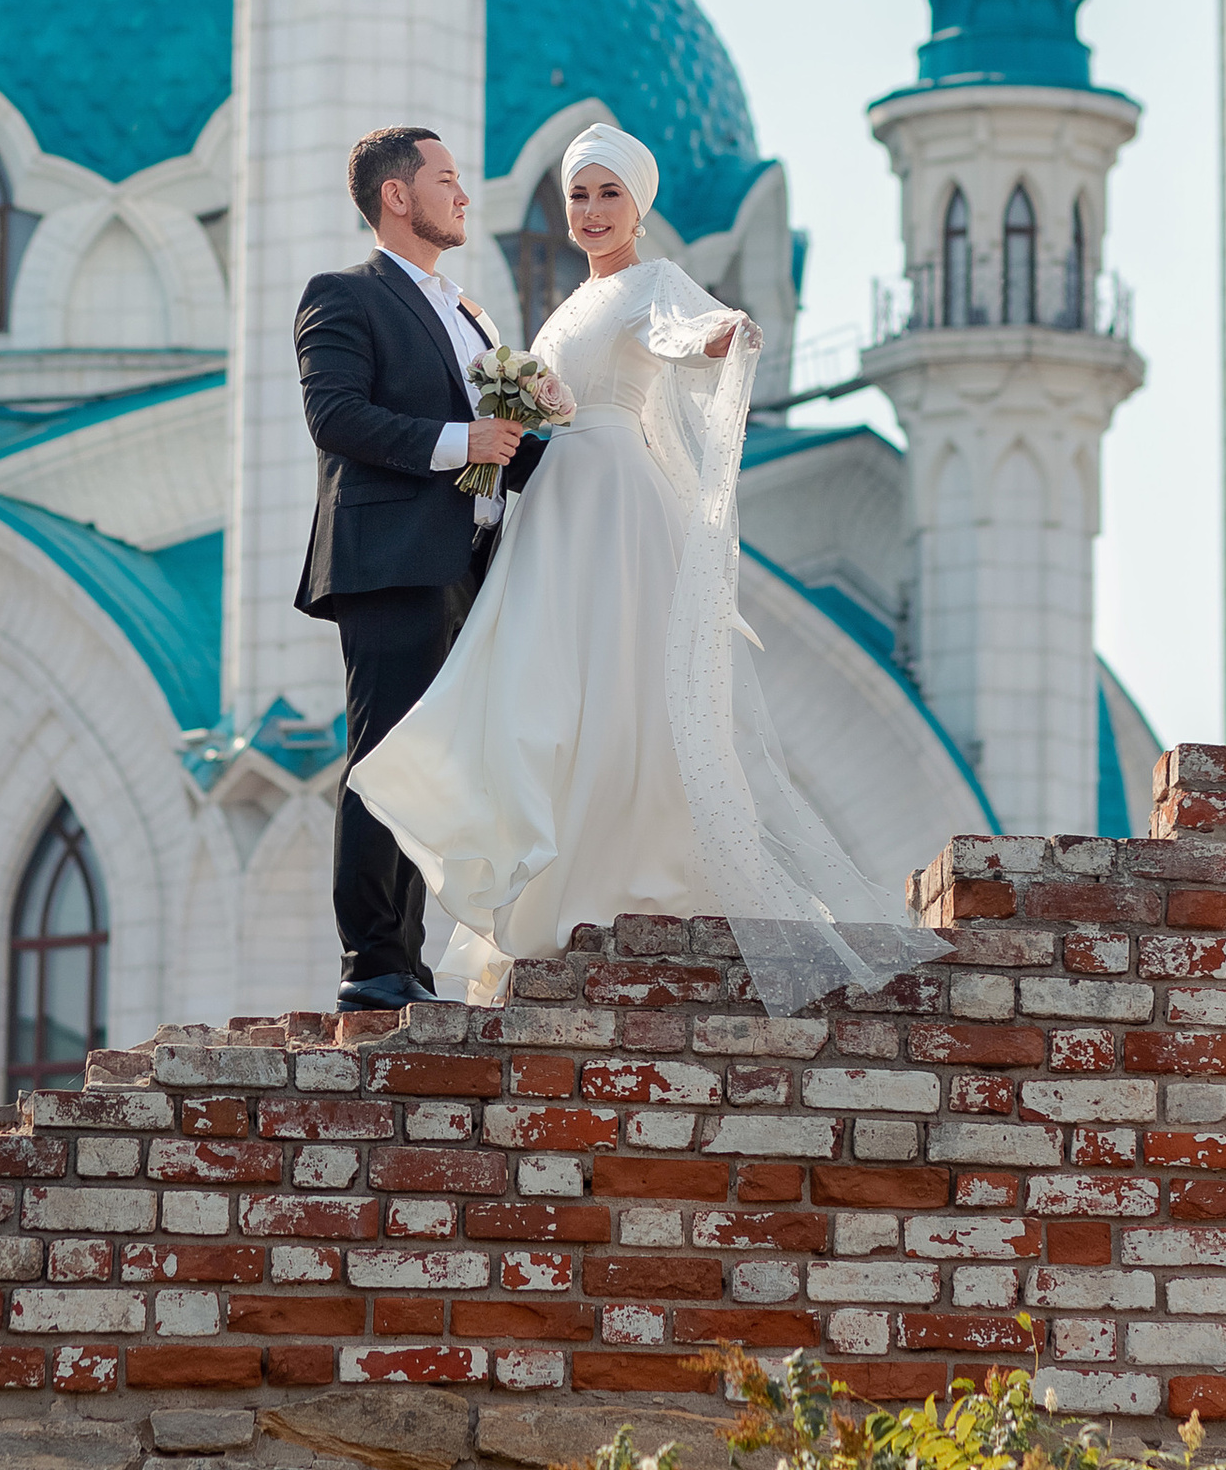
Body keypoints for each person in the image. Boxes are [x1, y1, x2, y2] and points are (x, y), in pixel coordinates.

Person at [348, 121, 938, 1014]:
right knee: (549, 694)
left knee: (614, 688)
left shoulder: (653, 282)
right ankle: (550, 895)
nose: (589, 212)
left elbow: (680, 330)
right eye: (578, 195)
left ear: (640, 206)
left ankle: (616, 891)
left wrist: (719, 334)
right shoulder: (565, 308)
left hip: (612, 502)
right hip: (553, 503)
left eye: (608, 194)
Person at [293, 125, 545, 1011]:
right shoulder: (344, 296)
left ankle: (410, 964)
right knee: (387, 755)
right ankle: (373, 965)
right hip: (391, 559)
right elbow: (338, 418)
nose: (464, 195)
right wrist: (460, 441)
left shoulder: (470, 312)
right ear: (397, 196)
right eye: (446, 179)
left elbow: (505, 444)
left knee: (431, 766)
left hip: (466, 563)